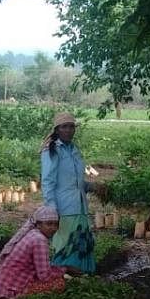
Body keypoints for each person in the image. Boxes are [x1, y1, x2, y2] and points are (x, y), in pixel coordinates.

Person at [40, 112, 100, 274]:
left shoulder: (74, 150)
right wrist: (52, 210)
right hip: (63, 209)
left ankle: (82, 280)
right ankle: (61, 280)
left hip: (79, 208)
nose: (69, 130)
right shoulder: (51, 150)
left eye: (71, 126)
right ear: (57, 130)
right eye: (64, 127)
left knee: (82, 245)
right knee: (65, 247)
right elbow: (47, 182)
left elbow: (77, 182)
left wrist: (93, 187)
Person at [0, 205, 68, 299]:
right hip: (8, 295)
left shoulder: (32, 233)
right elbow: (44, 276)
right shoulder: (40, 240)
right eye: (49, 224)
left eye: (56, 224)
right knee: (59, 283)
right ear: (39, 224)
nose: (53, 228)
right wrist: (64, 270)